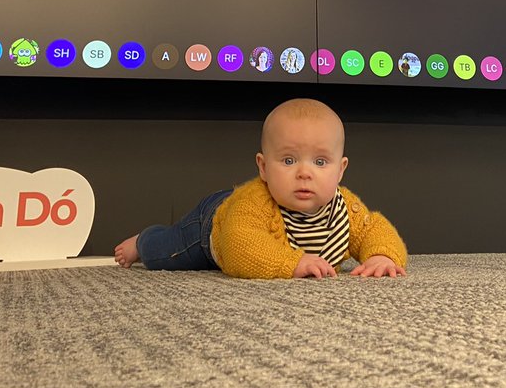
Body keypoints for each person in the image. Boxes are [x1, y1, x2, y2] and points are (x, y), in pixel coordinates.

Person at [114, 98, 408, 279]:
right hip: (213, 225)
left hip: (239, 223)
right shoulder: (253, 203)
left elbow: (375, 229)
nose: (304, 173)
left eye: (320, 162)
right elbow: (239, 246)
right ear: (264, 167)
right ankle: (143, 241)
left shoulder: (344, 208)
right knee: (169, 251)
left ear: (341, 169)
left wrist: (382, 256)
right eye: (289, 160)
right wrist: (291, 262)